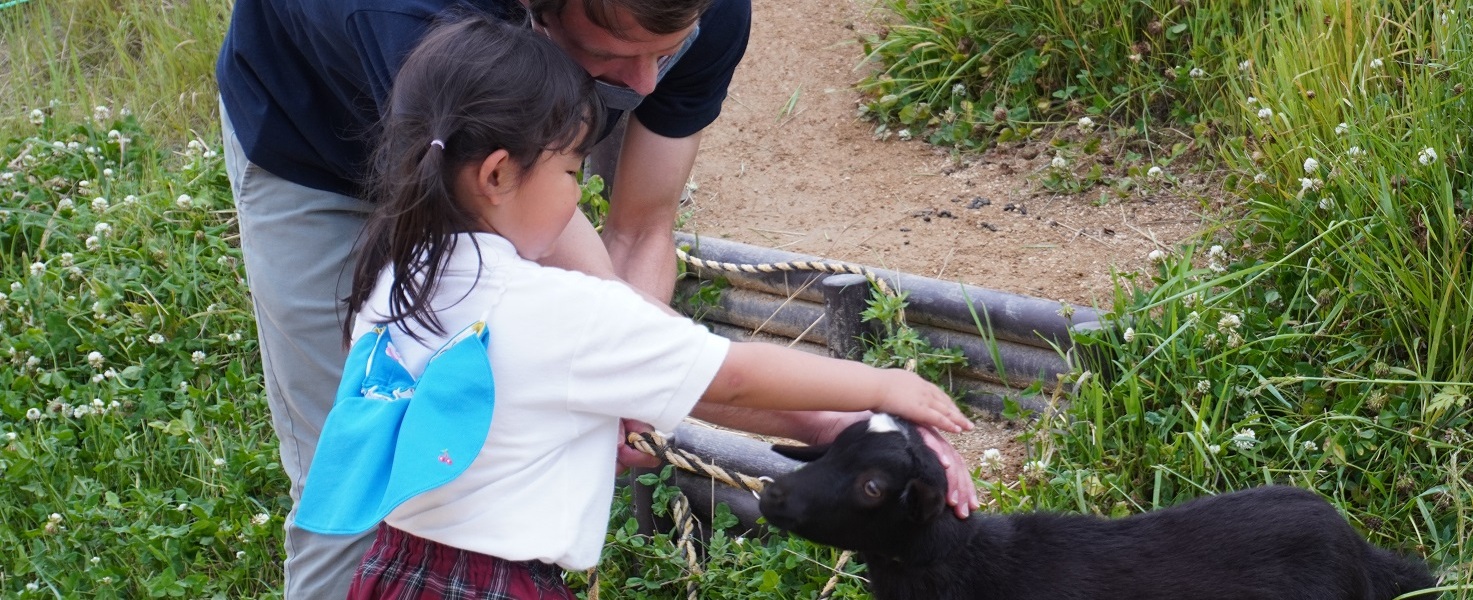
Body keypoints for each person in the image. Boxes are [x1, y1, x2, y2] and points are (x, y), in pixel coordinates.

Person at [215, 0, 978, 594]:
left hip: (406, 578)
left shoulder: (405, 279)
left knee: (379, 492)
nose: (646, 83)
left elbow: (641, 228)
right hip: (314, 138)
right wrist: (870, 402)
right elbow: (660, 343)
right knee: (344, 492)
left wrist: (623, 396)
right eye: (578, 169)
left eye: (666, 52)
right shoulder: (414, 21)